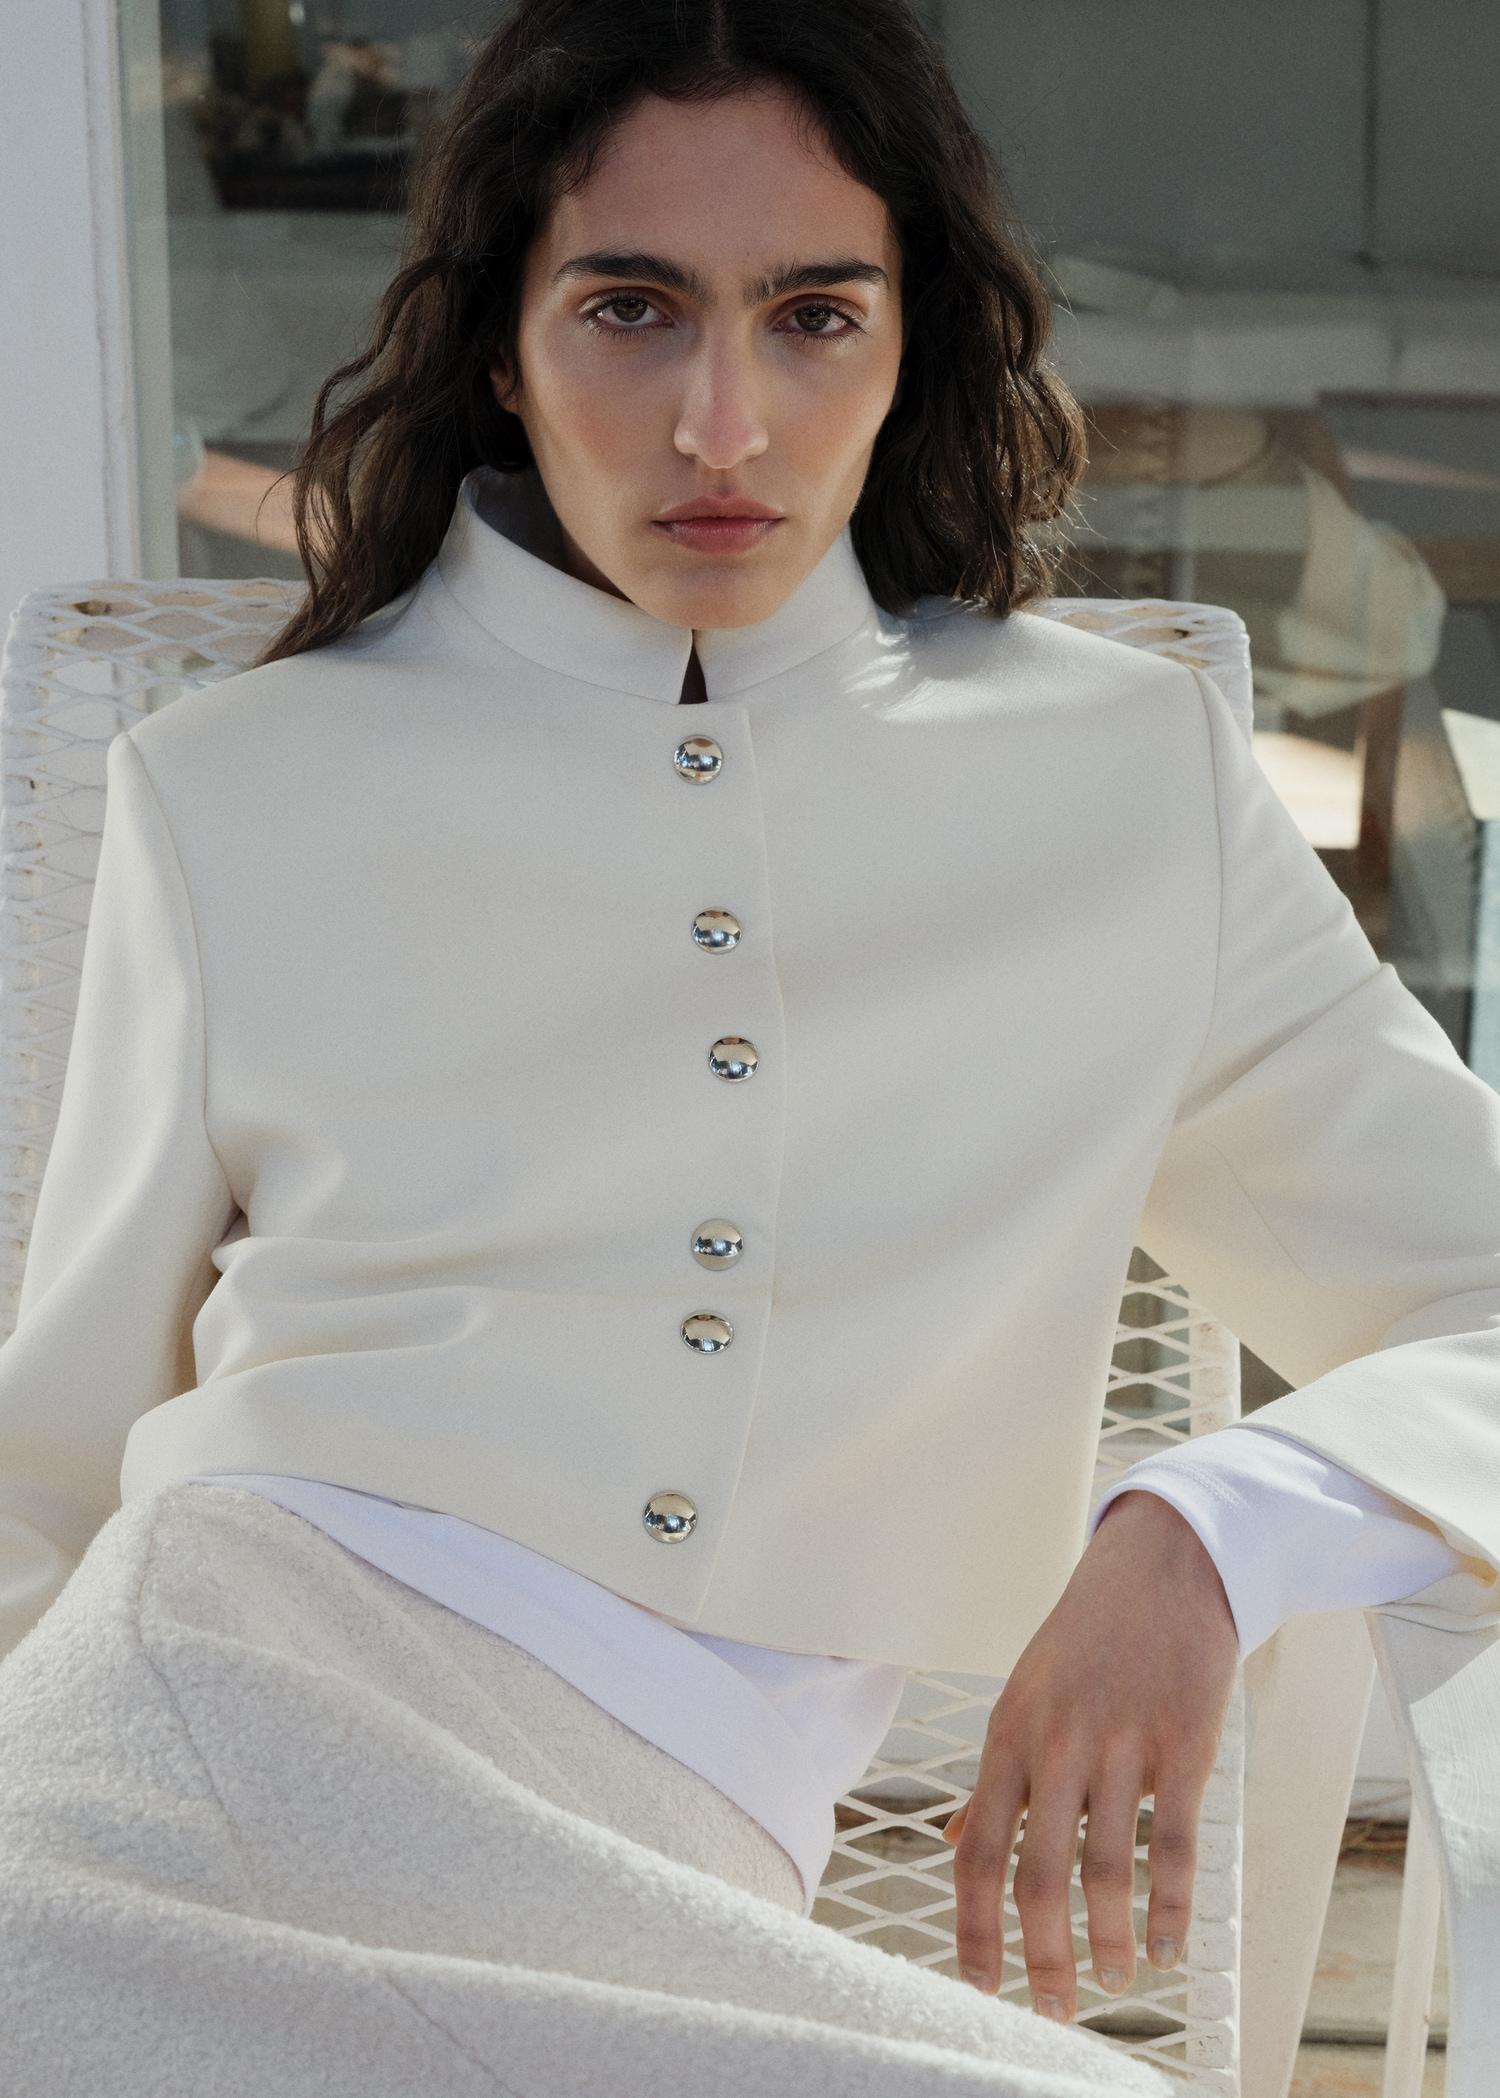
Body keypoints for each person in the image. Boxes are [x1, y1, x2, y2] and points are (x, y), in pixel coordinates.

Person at [2, 2, 1498, 2091]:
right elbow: (51, 1482)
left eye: (813, 317)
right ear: (502, 339)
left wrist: (1211, 1528)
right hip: (187, 1735)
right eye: (630, 309)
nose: (725, 423)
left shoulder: (1124, 786)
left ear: (911, 340)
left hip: (650, 1904)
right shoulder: (232, 787)